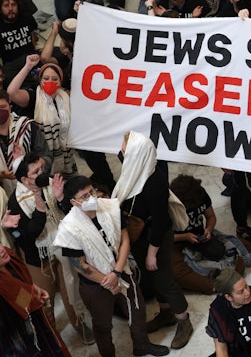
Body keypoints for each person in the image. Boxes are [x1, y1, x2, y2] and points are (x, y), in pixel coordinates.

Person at [54, 175, 169, 357]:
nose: (91, 198)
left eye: (91, 192)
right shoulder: (69, 228)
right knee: (102, 324)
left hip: (120, 269)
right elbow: (79, 264)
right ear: (74, 202)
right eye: (84, 196)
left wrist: (116, 272)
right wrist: (108, 281)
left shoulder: (109, 207)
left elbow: (124, 239)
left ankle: (141, 345)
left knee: (137, 309)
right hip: (95, 284)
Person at [112, 131, 193, 349]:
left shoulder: (153, 181)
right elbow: (124, 155)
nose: (120, 151)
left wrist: (151, 253)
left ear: (137, 154)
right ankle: (166, 313)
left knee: (164, 279)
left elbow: (161, 221)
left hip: (154, 238)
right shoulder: (136, 165)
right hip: (140, 235)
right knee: (151, 277)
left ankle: (183, 320)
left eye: (125, 148)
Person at [9, 153, 94, 343]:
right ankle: (51, 336)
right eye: (36, 171)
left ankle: (79, 324)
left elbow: (70, 211)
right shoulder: (15, 202)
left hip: (63, 249)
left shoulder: (51, 184)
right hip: (38, 260)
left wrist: (61, 197)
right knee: (45, 301)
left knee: (71, 291)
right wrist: (40, 211)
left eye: (42, 168)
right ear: (24, 179)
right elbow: (27, 238)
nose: (43, 173)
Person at [169, 174, 250, 294]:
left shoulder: (200, 193)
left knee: (236, 247)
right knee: (177, 271)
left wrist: (209, 229)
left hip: (199, 235)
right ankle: (215, 285)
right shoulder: (168, 206)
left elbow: (211, 216)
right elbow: (161, 237)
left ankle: (227, 273)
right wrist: (185, 236)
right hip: (175, 242)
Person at [7, 56, 77, 177]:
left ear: (60, 82)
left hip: (66, 156)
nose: (50, 81)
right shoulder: (34, 97)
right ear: (40, 80)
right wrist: (27, 67)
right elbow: (11, 92)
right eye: (46, 78)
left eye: (55, 79)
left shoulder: (65, 98)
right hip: (40, 157)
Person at [0, 244, 72, 356]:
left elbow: (21, 286)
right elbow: (24, 301)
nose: (1, 249)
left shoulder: (8, 259)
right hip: (20, 338)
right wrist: (32, 295)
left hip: (37, 326)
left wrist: (33, 288)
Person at [0, 89, 51, 195]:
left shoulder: (27, 126)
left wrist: (27, 162)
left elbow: (46, 156)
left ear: (10, 108)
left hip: (34, 190)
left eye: (2, 107)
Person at [0, 0, 37, 72]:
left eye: (13, 5)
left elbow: (33, 36)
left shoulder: (26, 18)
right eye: (6, 5)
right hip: (12, 66)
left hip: (32, 60)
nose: (10, 9)